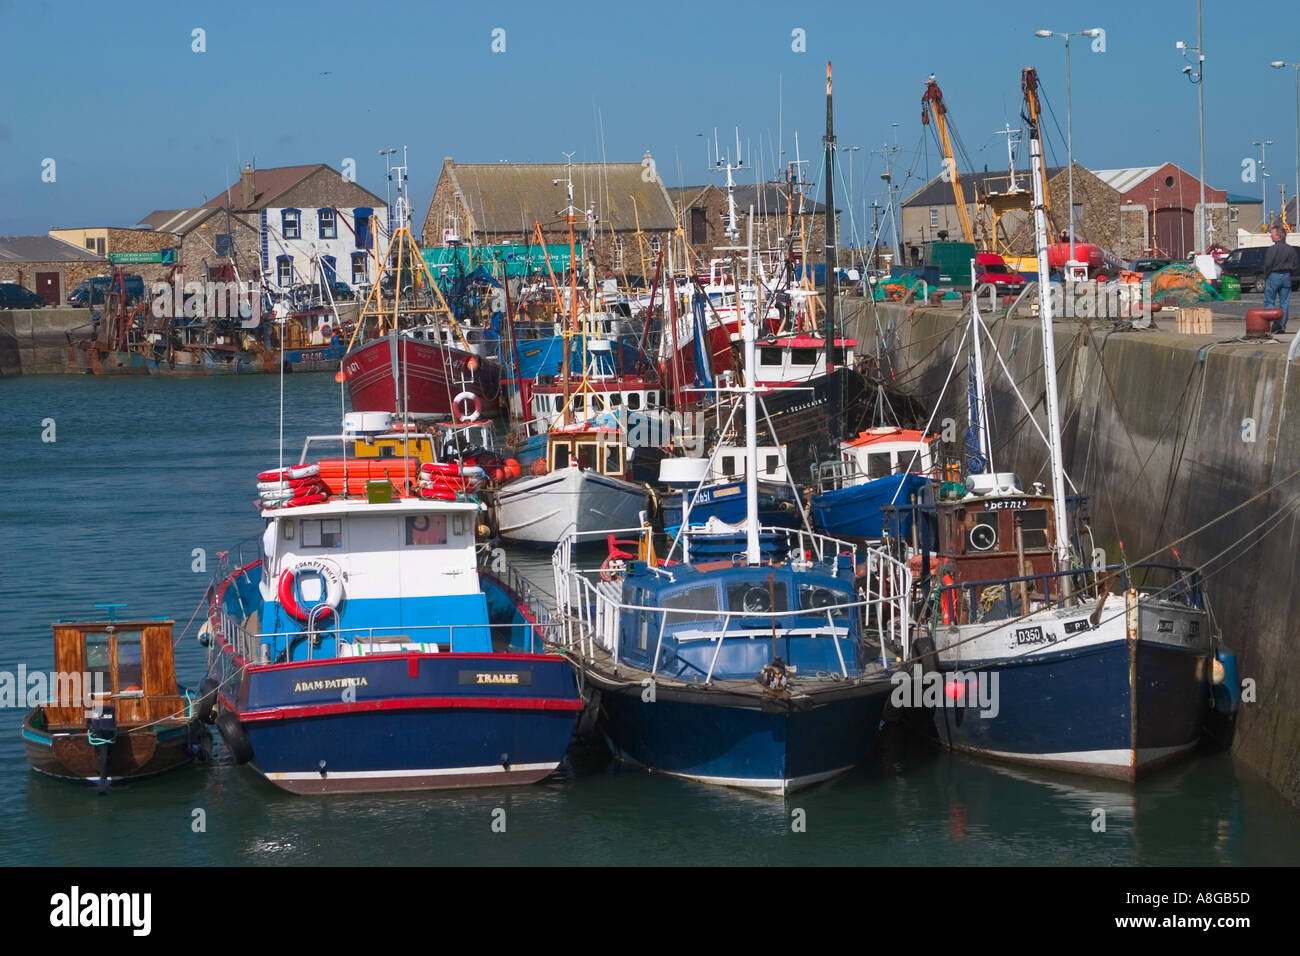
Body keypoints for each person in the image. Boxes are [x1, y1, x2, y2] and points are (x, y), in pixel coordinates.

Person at [1261, 226, 1298, 333]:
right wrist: (1289, 273)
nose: (1270, 235)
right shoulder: (1291, 249)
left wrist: (1266, 276)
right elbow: (1295, 265)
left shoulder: (1272, 249)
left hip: (1273, 275)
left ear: (1278, 236)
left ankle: (1272, 324)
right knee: (1284, 303)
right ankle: (1281, 326)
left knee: (1269, 301)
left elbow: (1268, 265)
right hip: (1286, 276)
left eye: (1272, 233)